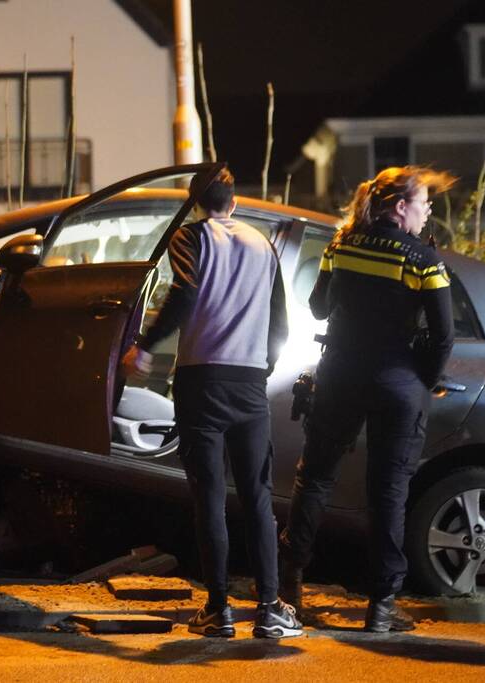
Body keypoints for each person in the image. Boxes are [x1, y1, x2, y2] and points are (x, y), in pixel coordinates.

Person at [121, 167, 301, 639]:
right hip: (248, 382)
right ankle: (268, 608)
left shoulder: (190, 237)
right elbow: (279, 321)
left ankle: (218, 610)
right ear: (234, 201)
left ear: (196, 201)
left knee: (209, 497)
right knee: (259, 496)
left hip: (201, 379)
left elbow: (184, 292)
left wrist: (145, 345)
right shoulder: (263, 245)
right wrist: (262, 367)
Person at [278, 165, 457, 633]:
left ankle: (289, 588)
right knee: (389, 493)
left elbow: (318, 307)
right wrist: (422, 379)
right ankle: (381, 607)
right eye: (423, 202)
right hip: (398, 383)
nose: (428, 209)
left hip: (339, 374)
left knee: (315, 478)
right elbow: (443, 336)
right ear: (401, 207)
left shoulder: (342, 245)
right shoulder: (424, 260)